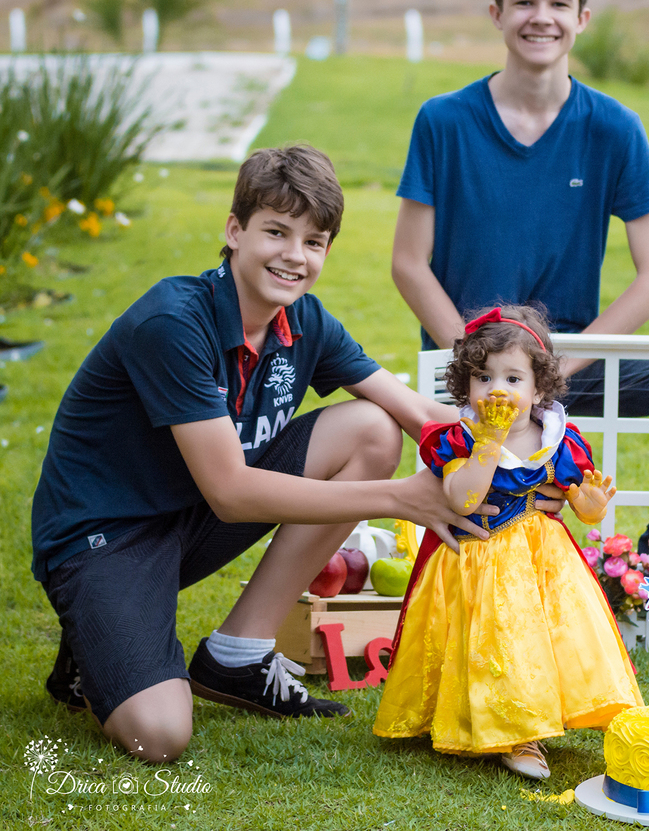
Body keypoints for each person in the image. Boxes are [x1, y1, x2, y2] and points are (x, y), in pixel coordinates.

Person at [31, 145, 510, 764]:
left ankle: (238, 654)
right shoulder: (174, 322)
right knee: (161, 735)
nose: (294, 255)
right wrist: (398, 498)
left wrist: (526, 432)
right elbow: (231, 492)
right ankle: (93, 641)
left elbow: (418, 412)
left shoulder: (304, 318)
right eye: (276, 232)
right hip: (106, 535)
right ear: (234, 231)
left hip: (191, 513)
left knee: (372, 428)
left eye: (314, 241)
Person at [389, 0, 649, 630]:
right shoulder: (444, 121)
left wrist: (552, 368)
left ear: (582, 18)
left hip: (573, 359)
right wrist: (480, 367)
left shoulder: (614, 128)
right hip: (473, 369)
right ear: (496, 13)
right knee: (479, 495)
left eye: (558, 2)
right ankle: (471, 592)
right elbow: (407, 264)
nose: (540, 17)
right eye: (524, 1)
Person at [372, 305, 643, 780]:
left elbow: (582, 505)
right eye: (483, 377)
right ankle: (515, 733)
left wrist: (594, 502)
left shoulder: (559, 438)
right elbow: (461, 498)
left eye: (514, 379)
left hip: (544, 560)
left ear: (539, 388)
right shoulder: (459, 438)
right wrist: (489, 442)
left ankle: (552, 713)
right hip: (479, 557)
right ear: (465, 386)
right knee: (498, 640)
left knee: (551, 637)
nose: (498, 389)